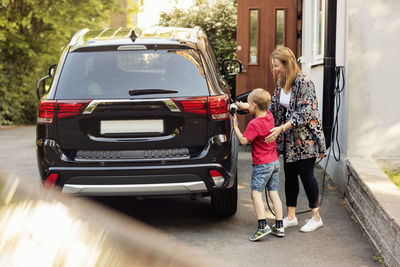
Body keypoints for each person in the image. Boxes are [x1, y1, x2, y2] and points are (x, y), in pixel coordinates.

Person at [236, 47, 326, 233]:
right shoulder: (281, 83)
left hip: (305, 137)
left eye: (277, 66)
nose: (275, 69)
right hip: (288, 138)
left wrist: (282, 128)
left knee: (306, 174)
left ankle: (316, 217)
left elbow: (306, 113)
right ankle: (291, 217)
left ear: (287, 64)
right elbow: (274, 108)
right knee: (290, 174)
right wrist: (248, 107)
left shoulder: (305, 83)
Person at [233, 88, 284, 241]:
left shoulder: (254, 124)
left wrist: (235, 125)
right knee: (273, 192)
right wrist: (244, 106)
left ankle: (262, 227)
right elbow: (255, 107)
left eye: (249, 104)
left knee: (256, 193)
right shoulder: (269, 116)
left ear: (254, 106)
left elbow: (243, 141)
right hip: (274, 162)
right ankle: (279, 225)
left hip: (262, 165)